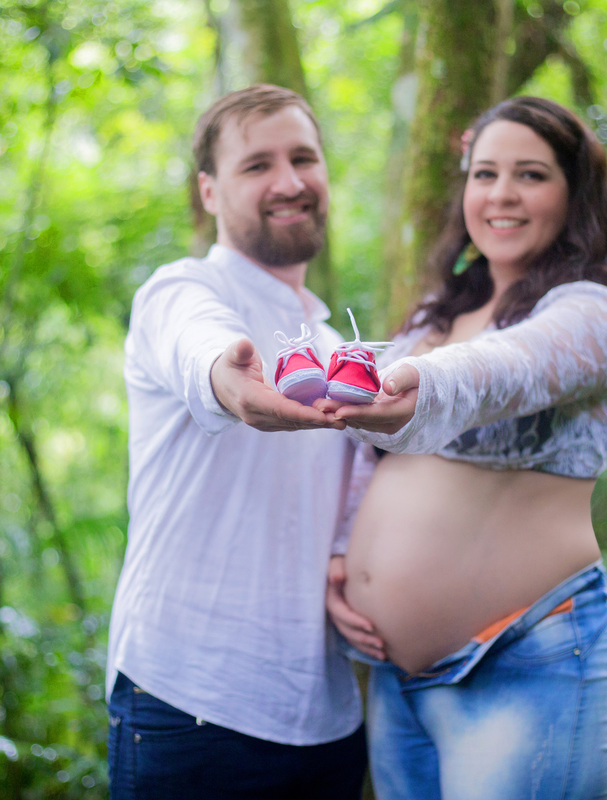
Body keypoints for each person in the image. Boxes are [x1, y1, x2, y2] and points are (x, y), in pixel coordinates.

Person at [323, 96, 607, 800]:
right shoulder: (435, 317)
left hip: (524, 662)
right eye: (484, 173)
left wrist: (415, 383)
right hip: (398, 687)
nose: (501, 194)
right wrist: (344, 557)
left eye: (530, 175)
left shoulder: (591, 312)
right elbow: (367, 462)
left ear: (575, 193)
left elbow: (507, 369)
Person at [104, 84, 367, 799]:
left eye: (303, 158)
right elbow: (202, 345)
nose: (289, 182)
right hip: (190, 707)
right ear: (210, 191)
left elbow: (351, 500)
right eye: (257, 165)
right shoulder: (177, 291)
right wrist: (231, 378)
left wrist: (346, 562)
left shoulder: (334, 342)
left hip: (329, 720)